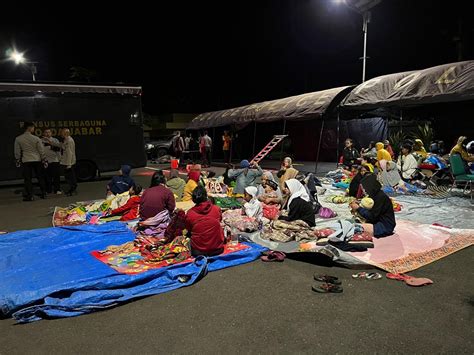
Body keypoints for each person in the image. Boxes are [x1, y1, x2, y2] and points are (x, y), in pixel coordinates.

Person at [350, 174, 396, 238]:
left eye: (365, 188)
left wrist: (358, 208)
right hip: (378, 222)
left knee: (353, 228)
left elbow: (372, 216)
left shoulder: (380, 197)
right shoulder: (375, 194)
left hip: (384, 226)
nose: (364, 190)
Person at [185, 185, 225, 257]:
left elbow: (189, 228)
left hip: (199, 251)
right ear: (206, 196)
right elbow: (219, 220)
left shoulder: (190, 213)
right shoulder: (216, 209)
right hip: (218, 249)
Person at [14, 122, 47, 201]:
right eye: (33, 127)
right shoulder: (36, 138)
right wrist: (44, 159)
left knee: (28, 179)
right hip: (37, 160)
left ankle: (30, 196)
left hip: (26, 160)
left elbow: (17, 151)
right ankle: (44, 193)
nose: (34, 129)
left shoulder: (18, 138)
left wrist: (17, 159)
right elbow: (41, 150)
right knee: (40, 177)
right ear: (29, 128)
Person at [42, 128, 62, 195]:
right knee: (47, 177)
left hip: (55, 160)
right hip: (46, 161)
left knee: (56, 177)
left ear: (51, 133)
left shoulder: (55, 140)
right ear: (43, 133)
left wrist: (59, 159)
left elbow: (58, 148)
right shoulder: (40, 141)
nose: (47, 133)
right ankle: (49, 190)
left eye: (49, 132)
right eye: (46, 132)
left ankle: (57, 189)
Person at [60, 128, 77, 196]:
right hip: (68, 162)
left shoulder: (69, 140)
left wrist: (69, 164)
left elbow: (70, 153)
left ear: (65, 133)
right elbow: (62, 146)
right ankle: (72, 189)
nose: (60, 133)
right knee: (69, 177)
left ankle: (72, 190)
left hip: (69, 162)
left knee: (70, 177)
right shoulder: (66, 140)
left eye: (62, 132)